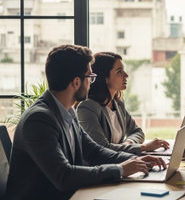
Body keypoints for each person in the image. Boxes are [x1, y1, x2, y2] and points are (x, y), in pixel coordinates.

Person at [6, 45, 166, 200]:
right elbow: (64, 176)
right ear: (76, 82)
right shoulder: (39, 120)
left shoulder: (67, 111)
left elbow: (94, 151)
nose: (92, 82)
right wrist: (121, 169)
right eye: (90, 77)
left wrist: (134, 159)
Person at [77, 52, 169, 155]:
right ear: (105, 78)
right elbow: (102, 148)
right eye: (119, 71)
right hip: (101, 167)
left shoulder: (118, 104)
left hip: (121, 162)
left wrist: (128, 143)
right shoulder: (87, 108)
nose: (126, 75)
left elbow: (137, 132)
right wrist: (144, 147)